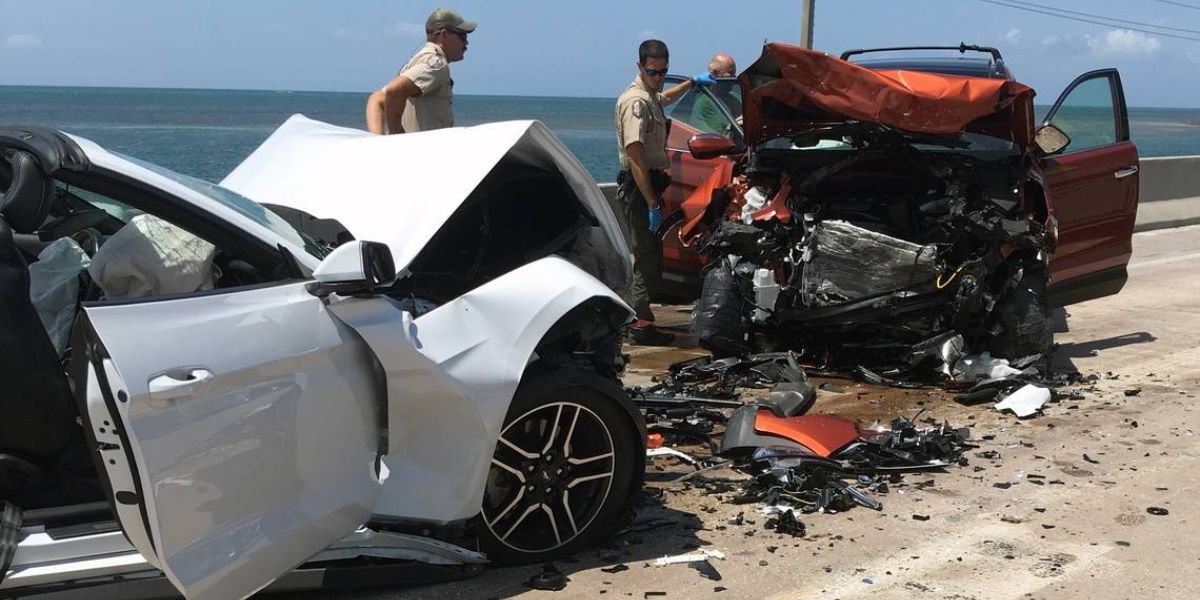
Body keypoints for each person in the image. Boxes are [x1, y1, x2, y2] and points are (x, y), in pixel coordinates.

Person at [614, 39, 715, 346]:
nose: (658, 78)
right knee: (646, 258)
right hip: (639, 188)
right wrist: (651, 203)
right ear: (639, 67)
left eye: (662, 72)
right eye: (652, 72)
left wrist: (689, 84)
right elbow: (636, 158)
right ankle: (640, 325)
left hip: (651, 186)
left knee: (653, 256)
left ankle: (640, 318)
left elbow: (664, 99)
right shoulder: (635, 103)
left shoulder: (651, 96)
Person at [365, 8, 476, 135]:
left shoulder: (417, 61)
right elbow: (394, 89)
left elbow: (376, 100)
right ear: (444, 35)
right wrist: (395, 132)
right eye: (462, 36)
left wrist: (378, 142)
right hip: (425, 153)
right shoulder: (436, 64)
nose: (466, 43)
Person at [693, 53, 742, 134]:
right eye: (731, 73)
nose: (734, 78)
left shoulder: (736, 97)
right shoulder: (705, 103)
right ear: (715, 73)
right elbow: (719, 136)